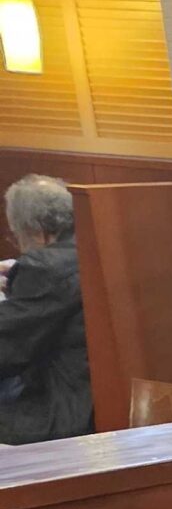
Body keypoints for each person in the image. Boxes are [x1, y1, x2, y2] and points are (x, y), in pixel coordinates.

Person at [0, 173, 92, 442]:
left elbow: (7, 350)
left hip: (64, 411)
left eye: (17, 236)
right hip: (100, 397)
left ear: (37, 232)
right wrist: (17, 281)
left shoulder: (43, 268)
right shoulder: (92, 245)